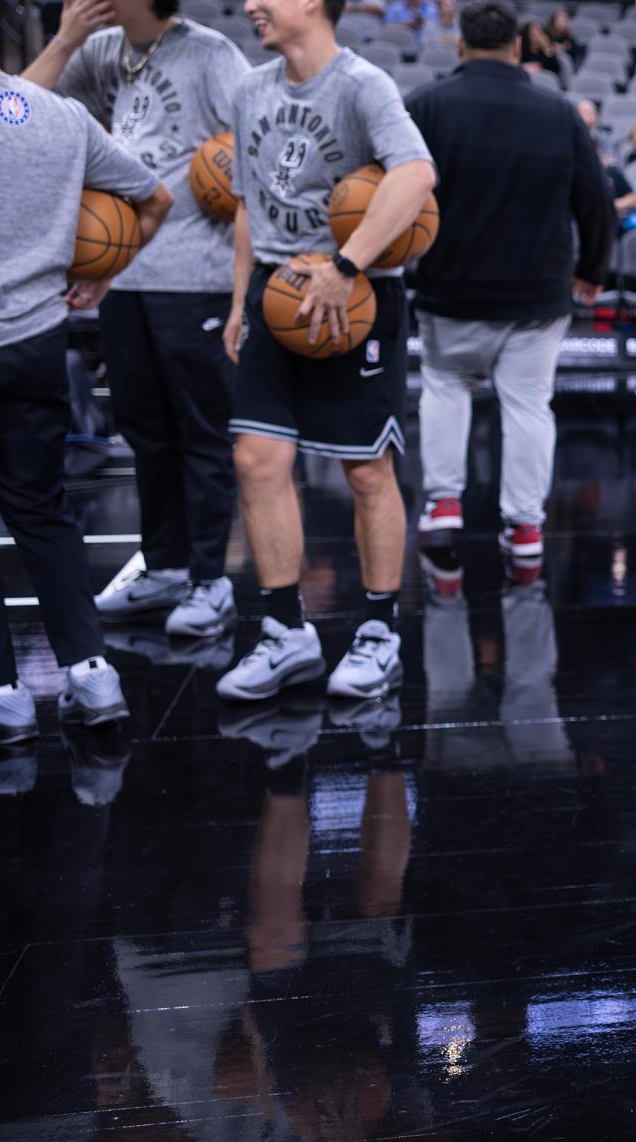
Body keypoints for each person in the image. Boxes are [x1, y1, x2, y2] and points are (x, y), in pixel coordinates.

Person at [216, 0, 437, 703]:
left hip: (355, 295)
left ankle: (378, 631)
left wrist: (346, 265)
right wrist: (239, 301)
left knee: (367, 471)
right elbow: (248, 203)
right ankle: (285, 631)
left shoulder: (362, 85)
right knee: (256, 461)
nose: (250, 5)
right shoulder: (250, 90)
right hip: (277, 291)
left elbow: (415, 174)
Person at [23, 0, 248, 641]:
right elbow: (15, 114)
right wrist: (65, 41)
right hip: (124, 274)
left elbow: (255, 149)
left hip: (197, 277)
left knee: (203, 436)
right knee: (146, 433)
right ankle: (167, 568)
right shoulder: (101, 50)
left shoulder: (211, 54)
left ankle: (211, 581)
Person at [0, 67, 171, 741]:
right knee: (42, 509)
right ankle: (93, 674)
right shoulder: (60, 115)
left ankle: (5, 696)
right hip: (37, 339)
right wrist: (104, 273)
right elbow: (155, 199)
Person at [407, 0, 614, 559]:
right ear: (518, 47)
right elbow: (596, 199)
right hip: (537, 295)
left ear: (460, 44)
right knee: (527, 405)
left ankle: (443, 503)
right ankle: (524, 527)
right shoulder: (559, 112)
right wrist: (593, 270)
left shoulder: (426, 105)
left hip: (449, 286)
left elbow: (392, 193)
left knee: (445, 387)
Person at [518, 20, 563, 85]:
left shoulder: (544, 53)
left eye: (540, 31)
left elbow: (556, 70)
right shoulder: (521, 52)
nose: (540, 34)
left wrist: (546, 48)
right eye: (536, 31)